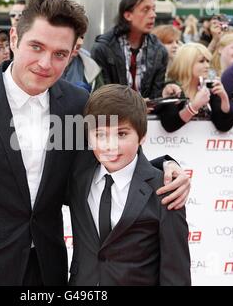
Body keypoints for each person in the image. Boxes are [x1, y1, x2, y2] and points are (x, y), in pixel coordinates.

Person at [0, 0, 190, 286]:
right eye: (36, 47)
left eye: (60, 54)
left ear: (73, 52)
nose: (46, 63)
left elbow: (104, 161)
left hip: (49, 271)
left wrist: (165, 166)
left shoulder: (77, 103)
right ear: (14, 39)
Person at [67, 84, 191, 286]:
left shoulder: (165, 190)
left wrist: (168, 164)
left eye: (122, 134)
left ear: (142, 136)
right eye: (100, 135)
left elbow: (176, 272)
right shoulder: (77, 176)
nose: (110, 145)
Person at [91, 0, 168, 100]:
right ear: (128, 15)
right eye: (146, 10)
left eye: (153, 9)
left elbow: (156, 94)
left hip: (149, 115)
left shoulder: (159, 50)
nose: (153, 15)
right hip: (115, 115)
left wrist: (168, 89)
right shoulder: (103, 48)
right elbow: (102, 96)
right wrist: (134, 108)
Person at [158, 43, 233, 132]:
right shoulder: (172, 88)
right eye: (201, 61)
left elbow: (224, 126)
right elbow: (169, 125)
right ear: (186, 63)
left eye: (208, 61)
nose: (207, 66)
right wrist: (194, 106)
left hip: (203, 144)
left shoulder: (208, 88)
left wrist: (224, 98)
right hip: (175, 144)